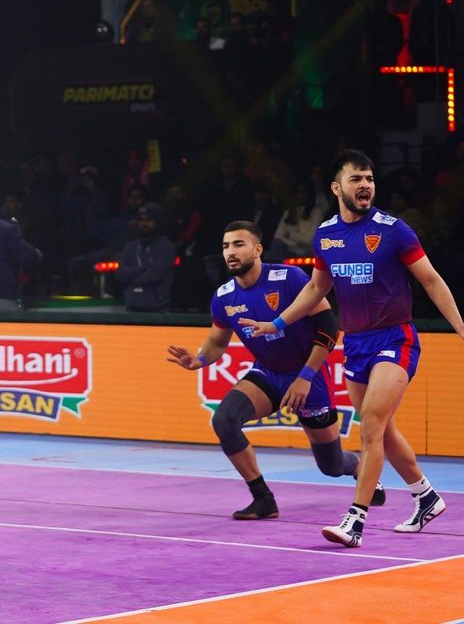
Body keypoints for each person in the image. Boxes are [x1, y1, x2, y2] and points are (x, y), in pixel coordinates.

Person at [240, 150, 463, 548]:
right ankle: (426, 495)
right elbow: (316, 289)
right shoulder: (326, 235)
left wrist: (461, 327)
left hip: (395, 339)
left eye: (370, 179)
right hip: (355, 343)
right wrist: (276, 323)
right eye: (356, 179)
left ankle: (355, 520)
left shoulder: (394, 231)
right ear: (336, 187)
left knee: (371, 427)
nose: (365, 186)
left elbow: (430, 280)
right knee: (384, 430)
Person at [167, 220, 382, 519]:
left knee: (331, 466)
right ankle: (263, 499)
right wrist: (200, 360)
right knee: (225, 420)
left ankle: (357, 466)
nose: (230, 252)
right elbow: (217, 341)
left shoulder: (289, 278)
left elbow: (328, 328)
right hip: (267, 373)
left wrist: (305, 377)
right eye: (226, 246)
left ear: (257, 250)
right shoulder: (224, 296)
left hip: (309, 377)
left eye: (239, 244)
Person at [115, 203, 175, 313]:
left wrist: (131, 279)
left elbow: (156, 275)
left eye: (149, 220)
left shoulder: (166, 246)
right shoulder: (130, 247)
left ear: (158, 222)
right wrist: (142, 269)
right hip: (132, 308)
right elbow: (120, 274)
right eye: (141, 220)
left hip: (158, 311)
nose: (144, 223)